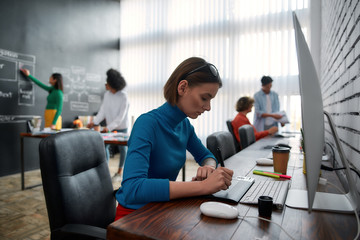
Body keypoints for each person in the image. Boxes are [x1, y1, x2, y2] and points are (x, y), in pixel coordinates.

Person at [114, 57, 234, 220]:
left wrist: (209, 168)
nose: (208, 107)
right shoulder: (147, 124)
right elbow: (133, 188)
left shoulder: (184, 125)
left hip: (162, 208)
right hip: (134, 217)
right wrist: (202, 186)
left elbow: (207, 156)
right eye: (204, 98)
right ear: (183, 87)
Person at [87, 69, 129, 181]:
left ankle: (120, 172)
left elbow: (120, 117)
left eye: (108, 83)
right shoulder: (107, 95)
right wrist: (94, 122)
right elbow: (102, 111)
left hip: (121, 127)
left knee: (123, 149)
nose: (106, 84)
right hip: (109, 128)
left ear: (113, 84)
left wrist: (108, 128)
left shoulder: (124, 96)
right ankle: (104, 171)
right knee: (104, 146)